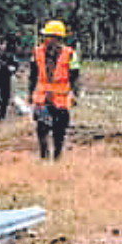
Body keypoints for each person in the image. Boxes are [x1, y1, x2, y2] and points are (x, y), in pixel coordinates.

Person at [28, 20, 81, 159]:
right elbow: (32, 75)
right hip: (42, 98)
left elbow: (75, 75)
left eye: (48, 36)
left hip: (61, 99)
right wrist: (30, 93)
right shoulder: (37, 52)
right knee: (42, 128)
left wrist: (75, 94)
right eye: (45, 36)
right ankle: (44, 156)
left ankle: (57, 156)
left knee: (59, 131)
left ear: (57, 38)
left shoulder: (70, 54)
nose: (46, 39)